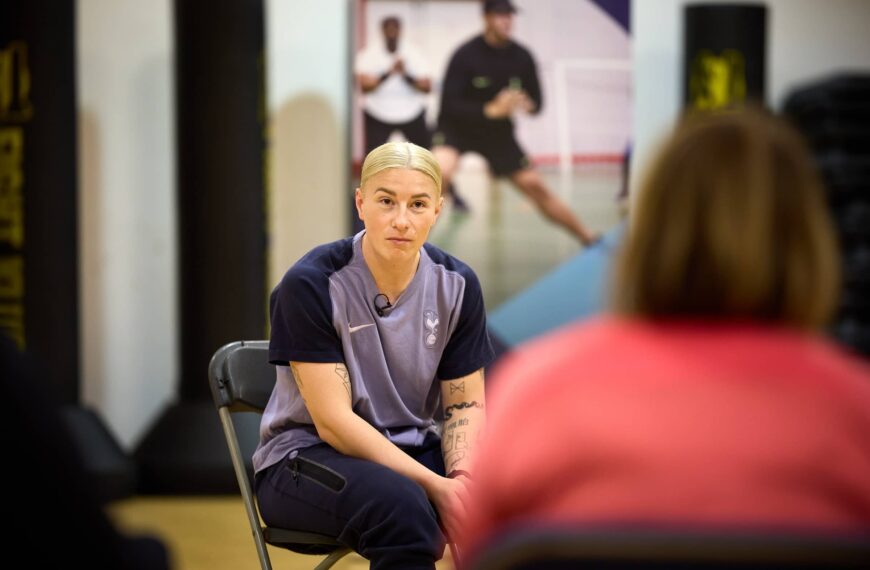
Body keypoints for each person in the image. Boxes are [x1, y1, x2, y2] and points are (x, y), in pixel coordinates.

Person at [458, 108, 870, 561]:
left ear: (650, 230)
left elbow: (479, 553)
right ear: (812, 240)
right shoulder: (856, 413)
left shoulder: (536, 394)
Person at [254, 141, 494, 569]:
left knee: (513, 498)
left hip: (413, 447)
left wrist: (461, 480)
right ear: (361, 203)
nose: (402, 220)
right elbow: (334, 423)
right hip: (305, 459)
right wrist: (436, 488)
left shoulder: (457, 284)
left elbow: (464, 405)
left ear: (437, 210)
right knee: (405, 511)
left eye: (418, 204)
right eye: (386, 201)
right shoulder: (311, 283)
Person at [432, 0, 598, 244]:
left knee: (535, 185)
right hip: (457, 129)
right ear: (487, 18)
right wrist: (490, 110)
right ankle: (411, 251)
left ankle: (587, 237)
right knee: (439, 173)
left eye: (510, 15)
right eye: (500, 15)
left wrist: (524, 103)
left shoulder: (522, 57)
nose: (507, 21)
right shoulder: (465, 54)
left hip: (498, 135)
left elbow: (538, 104)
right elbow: (448, 105)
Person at [355, 16, 432, 154]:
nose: (391, 32)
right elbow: (365, 87)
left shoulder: (414, 53)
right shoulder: (369, 54)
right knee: (374, 158)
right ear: (382, 31)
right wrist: (387, 73)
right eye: (388, 29)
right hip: (378, 112)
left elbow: (427, 87)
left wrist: (406, 75)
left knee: (423, 156)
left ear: (400, 30)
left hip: (411, 112)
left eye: (394, 29)